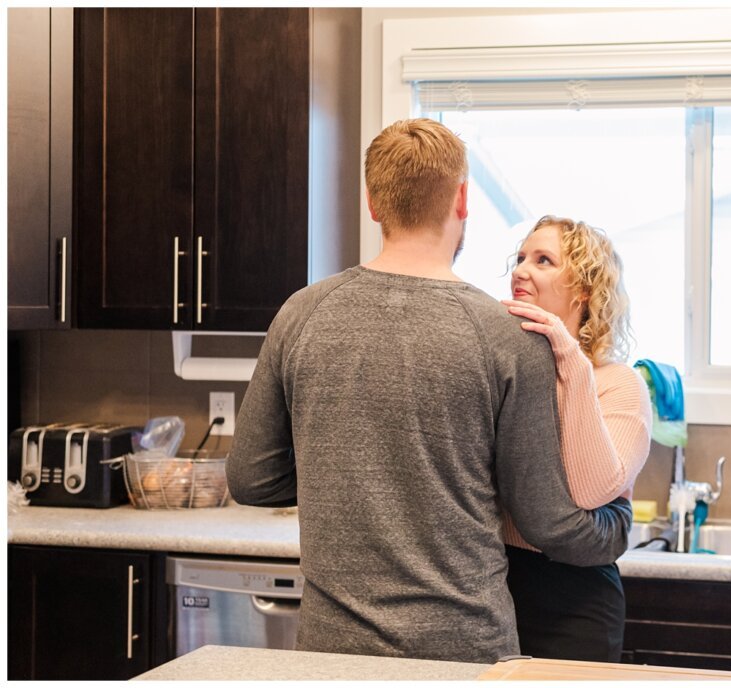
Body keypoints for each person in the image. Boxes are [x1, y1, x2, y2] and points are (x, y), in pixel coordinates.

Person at [226, 119, 632, 664]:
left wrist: (342, 472)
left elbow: (251, 479)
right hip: (464, 651)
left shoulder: (301, 313)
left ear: (373, 202)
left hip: (332, 651)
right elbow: (545, 519)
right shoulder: (509, 336)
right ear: (462, 200)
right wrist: (613, 528)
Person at [500, 215, 653, 662]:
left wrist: (570, 356)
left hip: (576, 602)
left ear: (584, 290)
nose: (521, 270)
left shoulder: (616, 383)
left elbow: (590, 490)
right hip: (496, 591)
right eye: (521, 257)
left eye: (543, 260)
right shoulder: (511, 374)